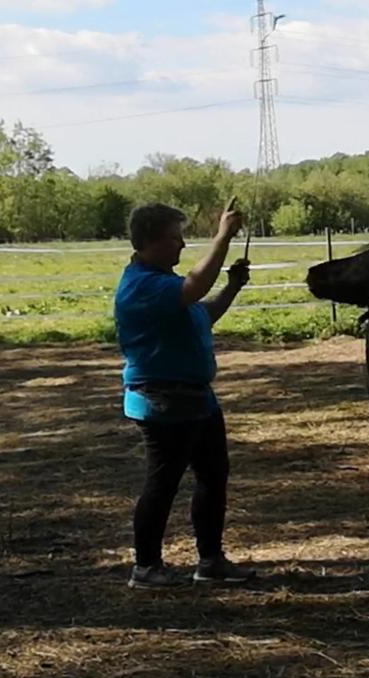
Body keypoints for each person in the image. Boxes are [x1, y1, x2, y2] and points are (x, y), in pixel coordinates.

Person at [114, 201, 254, 589]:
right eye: (176, 238)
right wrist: (223, 236)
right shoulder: (144, 286)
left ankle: (210, 561)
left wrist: (232, 287)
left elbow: (202, 311)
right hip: (162, 401)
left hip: (196, 399)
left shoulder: (165, 286)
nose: (182, 245)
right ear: (153, 242)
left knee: (213, 477)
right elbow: (195, 285)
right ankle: (145, 567)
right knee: (163, 483)